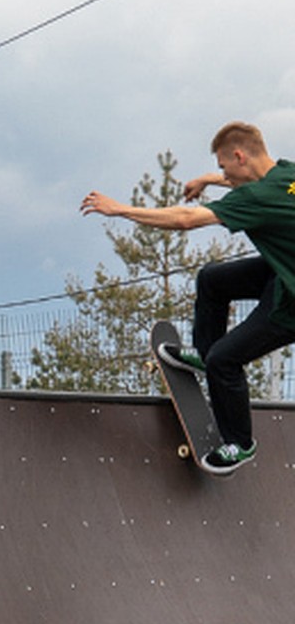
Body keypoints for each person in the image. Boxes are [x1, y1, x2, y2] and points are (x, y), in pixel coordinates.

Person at [81, 121, 295, 475]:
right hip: (281, 271)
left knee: (224, 361)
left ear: (239, 155)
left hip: (291, 304)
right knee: (212, 280)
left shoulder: (256, 198)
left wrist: (120, 210)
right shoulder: (285, 174)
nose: (226, 174)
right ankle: (203, 350)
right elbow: (241, 179)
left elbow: (185, 219)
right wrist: (210, 179)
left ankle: (240, 445)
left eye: (225, 166)